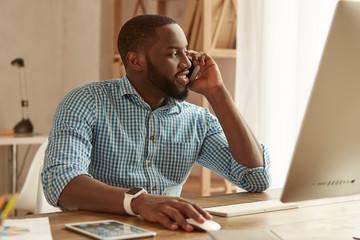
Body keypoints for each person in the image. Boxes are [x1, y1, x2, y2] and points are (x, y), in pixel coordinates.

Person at [41, 14, 271, 232]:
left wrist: (217, 92)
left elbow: (255, 178)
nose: (187, 63)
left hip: (168, 231)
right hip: (96, 230)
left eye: (186, 53)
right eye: (173, 54)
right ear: (136, 60)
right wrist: (139, 202)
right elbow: (60, 181)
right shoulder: (86, 102)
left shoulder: (197, 120)